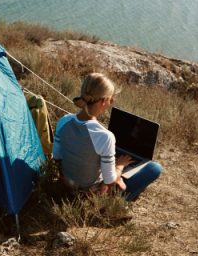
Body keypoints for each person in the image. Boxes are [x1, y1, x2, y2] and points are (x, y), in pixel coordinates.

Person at [52, 73, 163, 201]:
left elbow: (57, 156)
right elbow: (110, 180)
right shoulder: (104, 136)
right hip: (91, 195)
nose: (111, 102)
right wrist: (119, 165)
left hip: (68, 184)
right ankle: (122, 201)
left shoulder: (63, 121)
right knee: (155, 168)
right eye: (111, 99)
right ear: (103, 101)